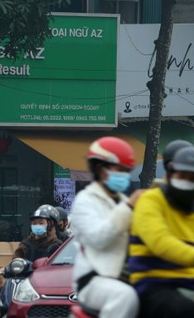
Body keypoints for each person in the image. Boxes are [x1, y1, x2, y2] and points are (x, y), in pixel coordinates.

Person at [129, 147, 194, 318]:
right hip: (155, 283)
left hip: (192, 284)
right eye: (182, 176)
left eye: (193, 179)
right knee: (186, 309)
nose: (187, 181)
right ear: (170, 173)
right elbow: (160, 242)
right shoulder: (150, 201)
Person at [71, 136, 142, 318]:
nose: (125, 175)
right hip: (94, 279)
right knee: (124, 297)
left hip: (128, 274)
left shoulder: (123, 201)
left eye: (127, 171)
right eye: (120, 170)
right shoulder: (85, 201)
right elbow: (99, 238)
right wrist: (129, 208)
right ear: (100, 169)